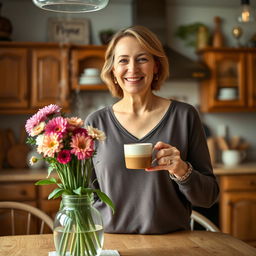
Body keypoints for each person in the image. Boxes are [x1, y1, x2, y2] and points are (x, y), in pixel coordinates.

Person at [85, 25, 219, 234]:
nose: (132, 69)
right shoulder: (96, 123)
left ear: (156, 66)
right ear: (112, 68)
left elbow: (208, 197)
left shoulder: (184, 116)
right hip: (112, 245)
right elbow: (85, 195)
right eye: (123, 60)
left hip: (173, 244)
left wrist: (182, 170)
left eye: (142, 59)